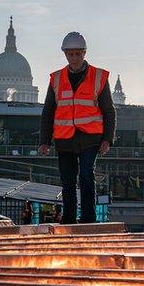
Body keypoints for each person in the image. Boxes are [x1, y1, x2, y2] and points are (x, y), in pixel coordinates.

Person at [39, 31, 116, 224]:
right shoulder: (56, 79)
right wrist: (44, 141)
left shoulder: (98, 77)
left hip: (90, 137)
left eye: (77, 54)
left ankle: (88, 218)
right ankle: (69, 218)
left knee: (86, 175)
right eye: (70, 54)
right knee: (67, 180)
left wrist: (107, 139)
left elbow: (109, 110)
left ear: (84, 53)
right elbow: (48, 111)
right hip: (65, 139)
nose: (74, 58)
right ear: (65, 54)